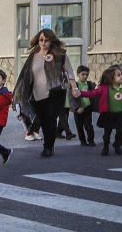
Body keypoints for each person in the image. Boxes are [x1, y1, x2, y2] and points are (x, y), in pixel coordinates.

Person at [11, 29, 79, 157]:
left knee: (51, 119)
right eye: (41, 39)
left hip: (55, 92)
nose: (43, 42)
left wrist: (74, 87)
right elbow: (26, 74)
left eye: (46, 40)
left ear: (51, 41)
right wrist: (22, 91)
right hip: (37, 94)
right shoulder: (34, 55)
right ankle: (48, 144)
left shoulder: (59, 54)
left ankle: (48, 147)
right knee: (43, 120)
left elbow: (69, 72)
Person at [78, 65, 122, 156]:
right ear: (111, 78)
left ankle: (117, 145)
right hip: (108, 114)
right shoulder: (104, 88)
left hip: (120, 114)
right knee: (107, 133)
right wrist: (80, 93)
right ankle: (106, 146)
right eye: (119, 75)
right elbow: (92, 93)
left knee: (120, 132)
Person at [72, 65, 97, 147]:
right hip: (78, 109)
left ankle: (91, 140)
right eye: (83, 74)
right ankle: (82, 140)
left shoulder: (90, 84)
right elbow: (71, 98)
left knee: (88, 125)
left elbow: (94, 95)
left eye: (87, 74)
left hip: (87, 108)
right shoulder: (74, 85)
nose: (85, 76)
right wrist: (76, 108)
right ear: (78, 74)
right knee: (79, 126)